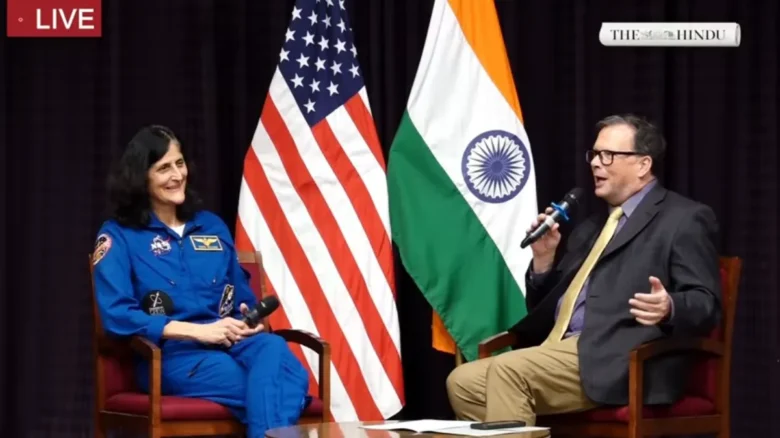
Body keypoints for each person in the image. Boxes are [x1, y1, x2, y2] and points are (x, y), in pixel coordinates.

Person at [446, 114, 722, 425]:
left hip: (622, 357)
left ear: (643, 165)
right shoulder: (592, 227)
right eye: (594, 154)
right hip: (563, 349)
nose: (595, 164)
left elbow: (707, 304)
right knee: (462, 382)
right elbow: (546, 311)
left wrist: (670, 306)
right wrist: (544, 261)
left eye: (608, 155)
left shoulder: (683, 218)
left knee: (506, 372)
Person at [92, 125, 310, 438]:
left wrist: (248, 319)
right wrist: (200, 332)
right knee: (283, 384)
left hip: (234, 344)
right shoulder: (118, 235)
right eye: (164, 168)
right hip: (172, 356)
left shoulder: (211, 226)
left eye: (179, 164)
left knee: (273, 347)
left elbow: (239, 293)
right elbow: (117, 315)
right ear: (141, 177)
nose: (177, 175)